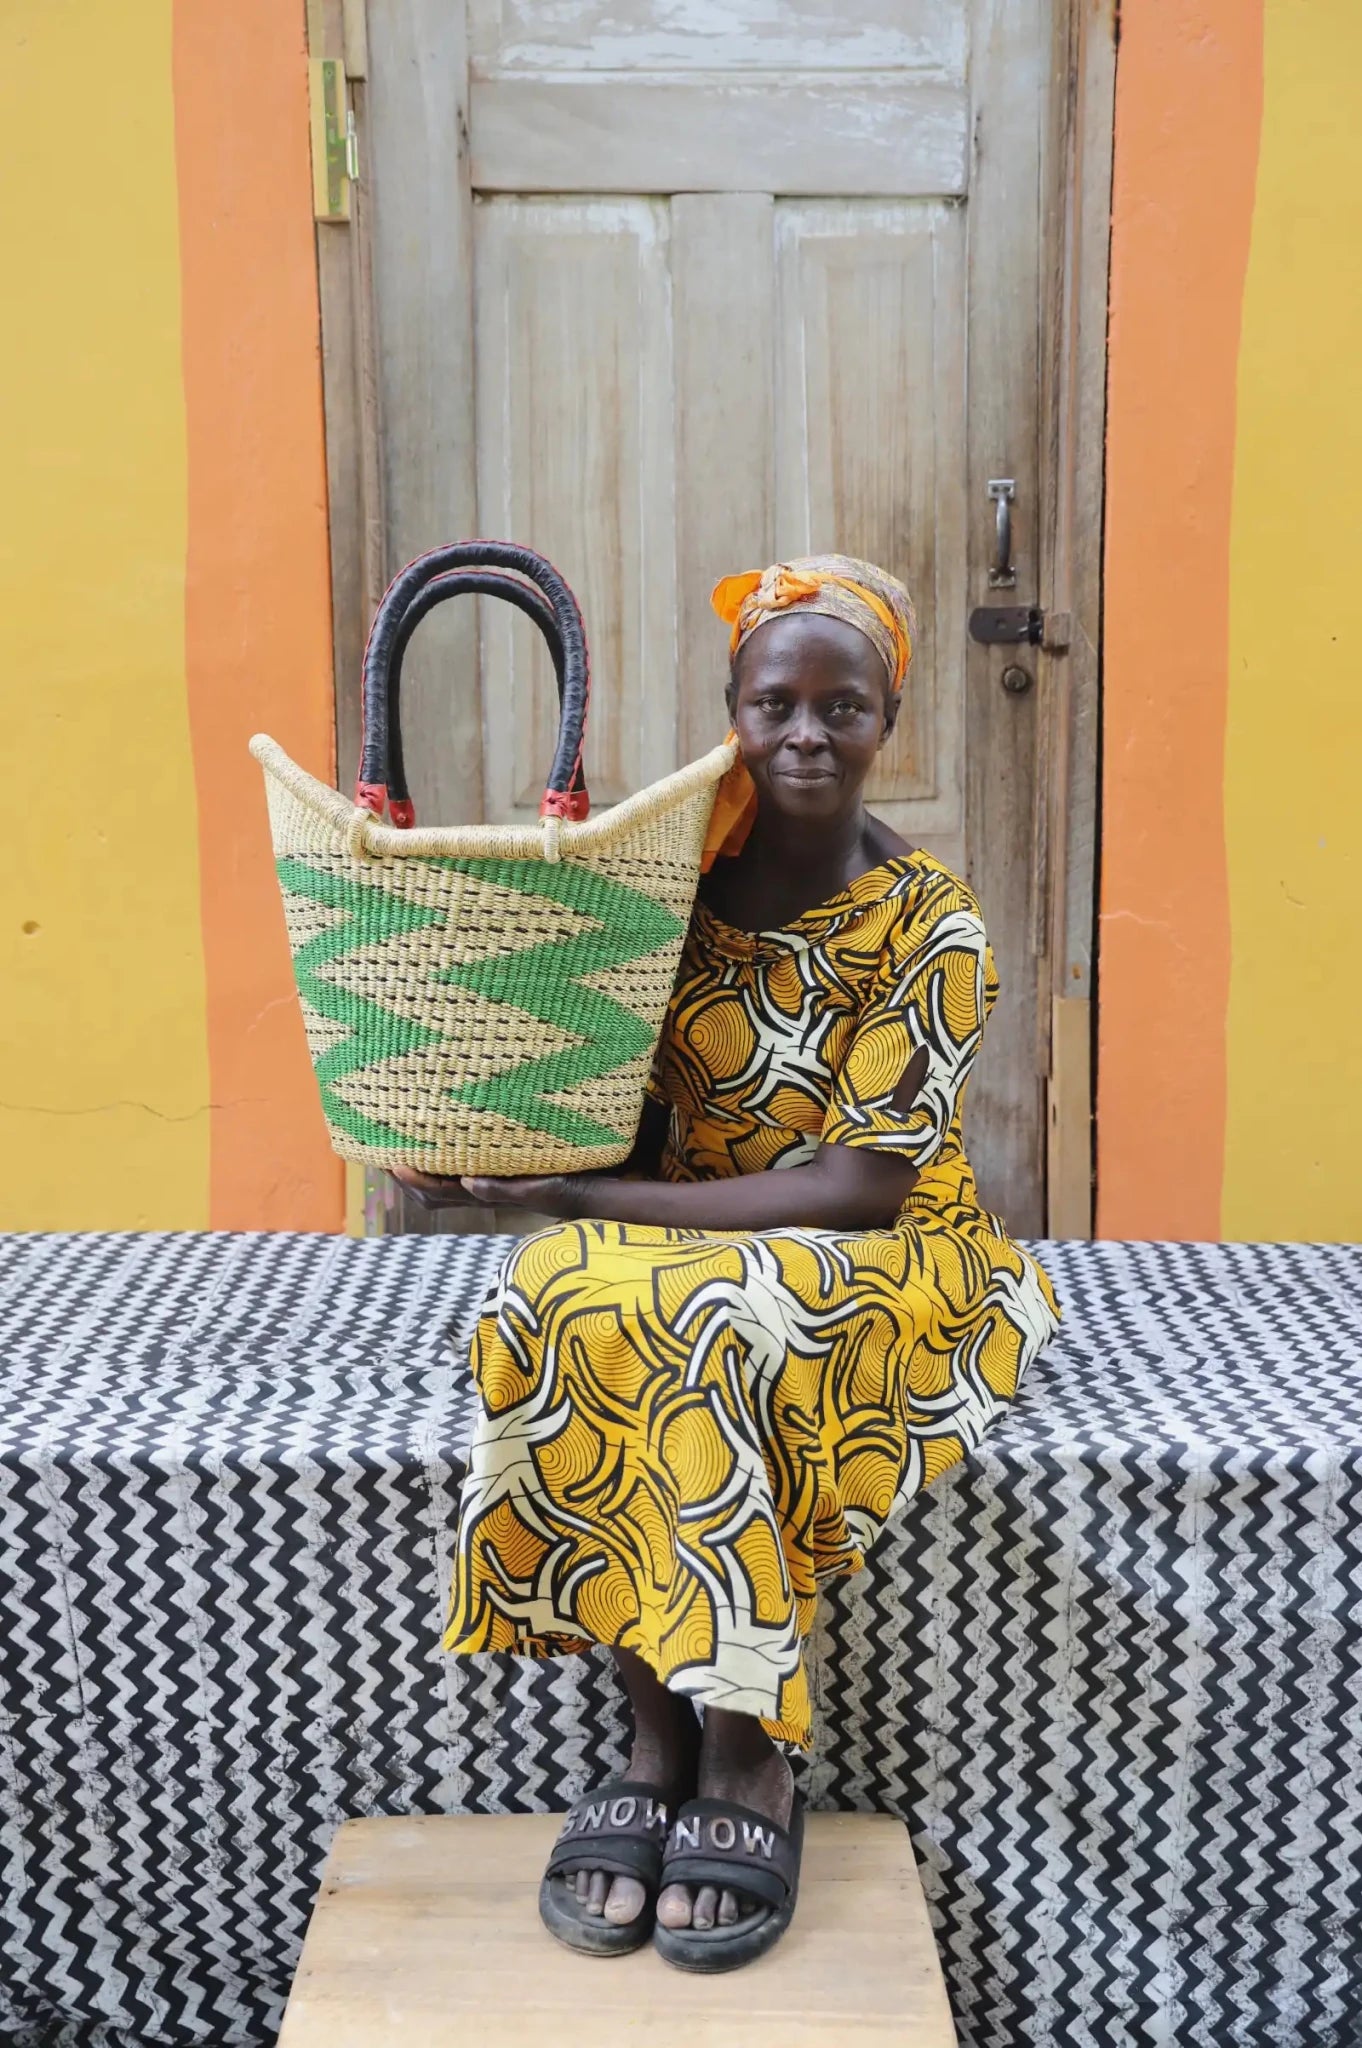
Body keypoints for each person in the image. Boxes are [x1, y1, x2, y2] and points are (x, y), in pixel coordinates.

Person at [393, 553, 1060, 1973]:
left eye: (844, 707)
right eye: (775, 704)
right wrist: (469, 1139)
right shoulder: (671, 877)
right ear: (730, 711)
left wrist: (570, 1190)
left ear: (890, 721)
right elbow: (598, 1082)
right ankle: (650, 1730)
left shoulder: (925, 922)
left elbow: (857, 1185)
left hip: (885, 1255)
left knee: (697, 1318)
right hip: (680, 1225)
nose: (807, 734)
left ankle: (746, 1743)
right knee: (560, 1293)